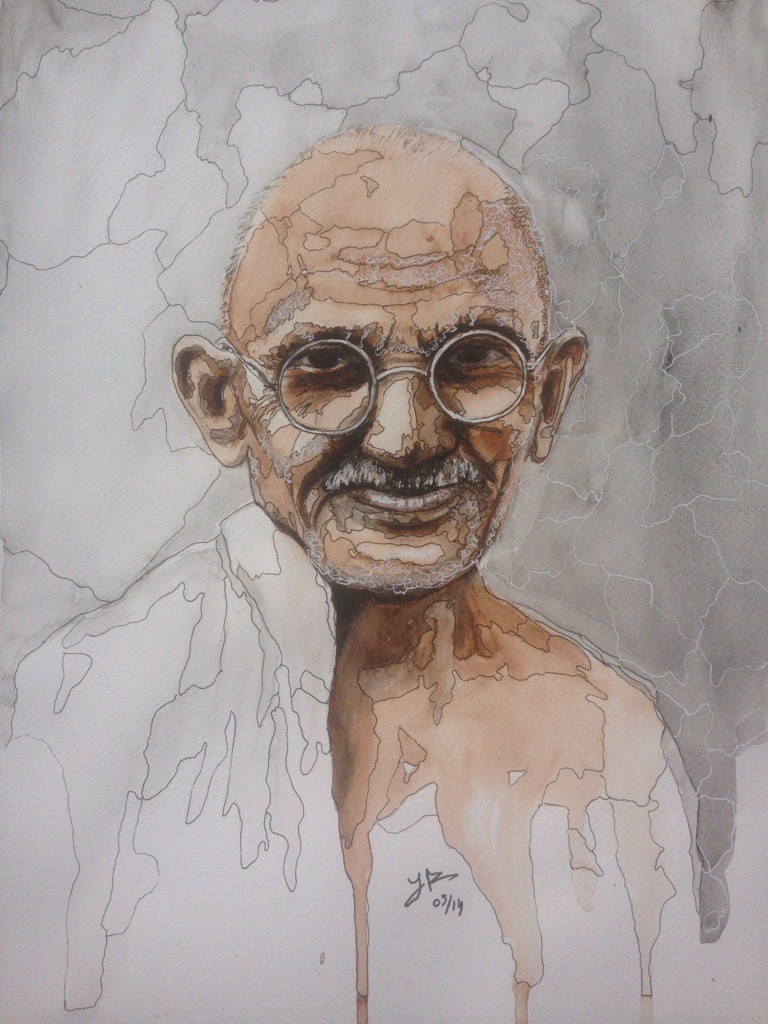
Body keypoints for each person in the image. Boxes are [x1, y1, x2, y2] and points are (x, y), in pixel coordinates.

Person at [2, 125, 707, 1024]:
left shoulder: (611, 738)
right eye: (326, 368)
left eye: (474, 359)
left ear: (549, 395)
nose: (404, 437)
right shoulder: (75, 712)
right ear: (222, 403)